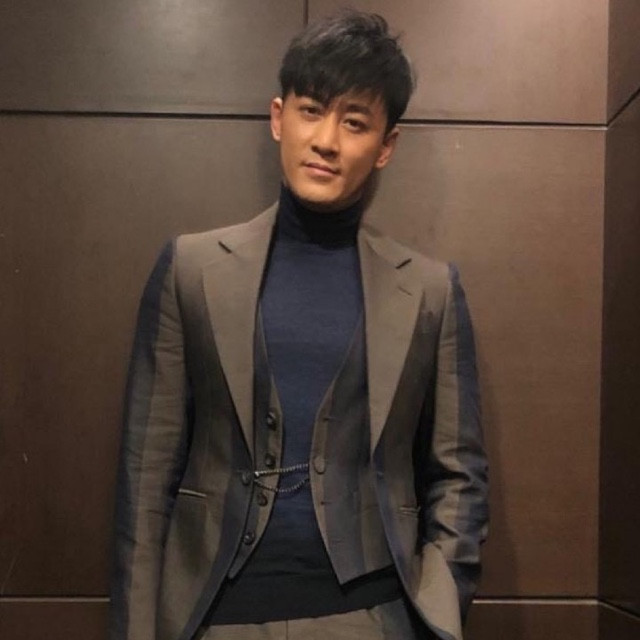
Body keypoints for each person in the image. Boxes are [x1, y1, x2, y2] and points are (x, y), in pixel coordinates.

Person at [110, 11, 488, 640]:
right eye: (312, 111)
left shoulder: (430, 291)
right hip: (212, 618)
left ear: (386, 145)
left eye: (355, 122)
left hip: (373, 619)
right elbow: (144, 481)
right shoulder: (191, 269)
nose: (327, 140)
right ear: (279, 117)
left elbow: (459, 477)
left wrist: (437, 617)